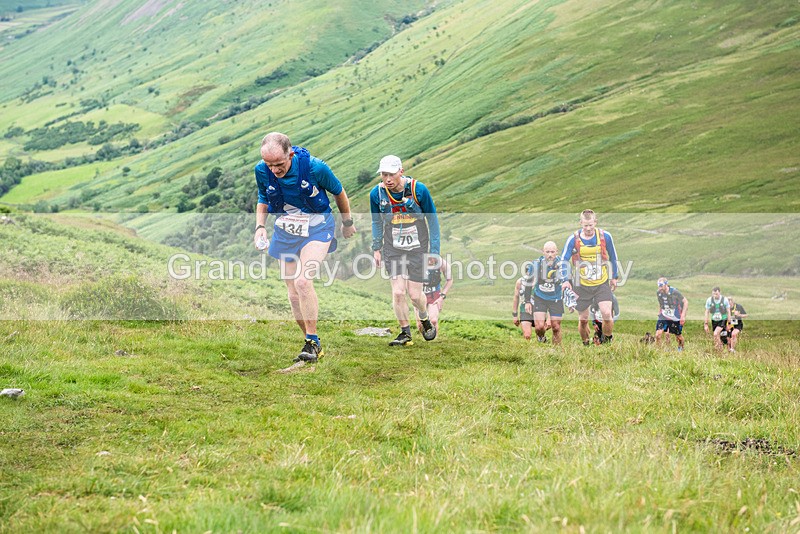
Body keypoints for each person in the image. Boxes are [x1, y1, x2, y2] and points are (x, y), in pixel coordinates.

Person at [254, 132, 356, 364]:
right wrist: (260, 227)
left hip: (318, 227)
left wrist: (347, 222)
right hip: (286, 229)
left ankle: (311, 341)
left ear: (290, 154)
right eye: (269, 165)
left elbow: (339, 192)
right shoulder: (261, 170)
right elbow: (263, 197)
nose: (274, 170)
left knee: (303, 281)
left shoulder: (315, 168)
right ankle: (312, 342)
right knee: (292, 294)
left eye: (279, 164)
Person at [370, 155, 440, 346]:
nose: (388, 180)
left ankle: (424, 318)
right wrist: (377, 248)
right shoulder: (376, 194)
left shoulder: (419, 190)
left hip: (418, 247)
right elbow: (376, 222)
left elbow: (432, 221)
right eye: (384, 175)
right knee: (399, 292)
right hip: (393, 247)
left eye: (391, 174)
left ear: (401, 171)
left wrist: (434, 252)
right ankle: (405, 332)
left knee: (415, 295)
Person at [560, 209, 620, 345]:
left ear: (595, 223)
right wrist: (565, 280)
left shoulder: (605, 237)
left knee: (606, 314)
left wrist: (614, 277)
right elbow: (564, 261)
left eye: (590, 225)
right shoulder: (573, 239)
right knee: (583, 319)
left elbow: (613, 257)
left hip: (601, 283)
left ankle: (607, 341)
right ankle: (585, 343)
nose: (588, 228)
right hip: (582, 285)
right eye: (585, 225)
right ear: (581, 223)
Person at [522, 241, 566, 344]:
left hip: (556, 298)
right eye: (547, 252)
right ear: (543, 252)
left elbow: (569, 281)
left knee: (556, 327)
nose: (550, 255)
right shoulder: (536, 264)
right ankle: (541, 338)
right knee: (539, 327)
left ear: (557, 252)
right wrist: (527, 301)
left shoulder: (562, 264)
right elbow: (528, 282)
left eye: (552, 252)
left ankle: (556, 352)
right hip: (540, 298)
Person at [415, 258, 453, 334]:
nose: (430, 261)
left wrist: (442, 296)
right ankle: (425, 338)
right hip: (420, 293)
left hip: (434, 294)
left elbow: (450, 280)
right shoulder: (417, 259)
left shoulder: (442, 263)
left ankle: (433, 339)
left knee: (433, 320)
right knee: (420, 323)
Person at [655, 277, 688, 351]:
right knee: (658, 334)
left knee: (678, 336)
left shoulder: (675, 292)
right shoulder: (658, 293)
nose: (659, 287)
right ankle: (658, 351)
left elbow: (685, 302)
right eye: (658, 285)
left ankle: (681, 350)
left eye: (661, 285)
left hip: (675, 316)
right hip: (664, 315)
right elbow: (661, 304)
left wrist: (683, 316)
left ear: (666, 284)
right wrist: (659, 312)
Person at [704, 286, 731, 351]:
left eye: (716, 294)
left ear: (719, 293)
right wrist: (706, 324)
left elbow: (728, 311)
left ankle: (720, 348)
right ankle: (719, 349)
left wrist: (729, 323)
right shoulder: (709, 300)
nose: (715, 296)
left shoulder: (724, 300)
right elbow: (707, 312)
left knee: (715, 333)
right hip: (714, 320)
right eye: (713, 294)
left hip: (723, 319)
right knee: (718, 336)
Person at [512, 276, 534, 341]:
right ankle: (528, 350)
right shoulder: (520, 281)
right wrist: (515, 315)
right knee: (527, 335)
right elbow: (516, 297)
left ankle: (542, 339)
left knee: (540, 330)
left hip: (539, 310)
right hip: (524, 309)